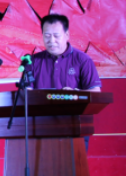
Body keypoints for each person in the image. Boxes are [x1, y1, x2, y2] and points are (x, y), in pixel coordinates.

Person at [31, 14, 101, 151]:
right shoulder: (34, 61)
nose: (51, 40)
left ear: (67, 35)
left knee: (73, 164)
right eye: (47, 35)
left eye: (56, 35)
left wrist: (75, 94)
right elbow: (26, 94)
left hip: (74, 125)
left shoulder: (83, 60)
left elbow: (96, 94)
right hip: (42, 126)